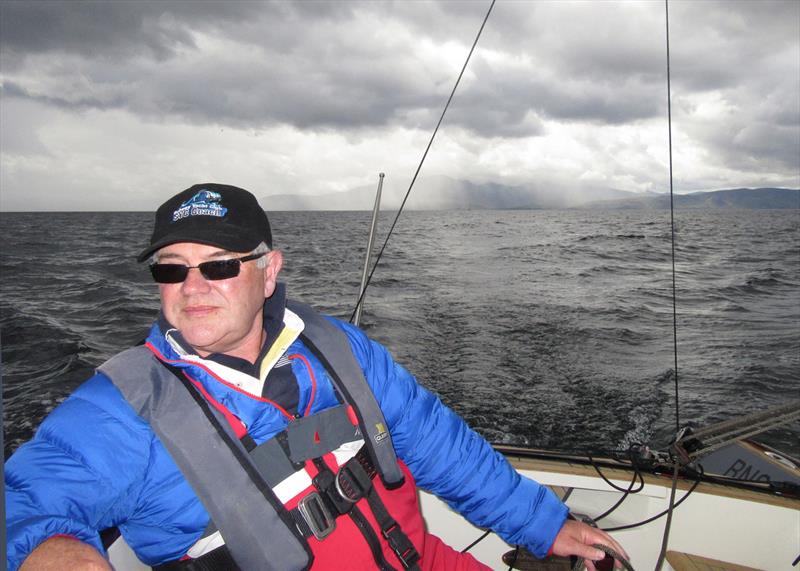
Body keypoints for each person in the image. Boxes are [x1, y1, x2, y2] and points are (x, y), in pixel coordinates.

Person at [5, 183, 627, 571]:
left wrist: (543, 525)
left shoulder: (336, 348)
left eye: (219, 265)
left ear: (268, 272)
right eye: (172, 270)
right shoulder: (124, 407)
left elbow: (437, 442)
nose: (192, 287)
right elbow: (27, 502)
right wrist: (53, 553)